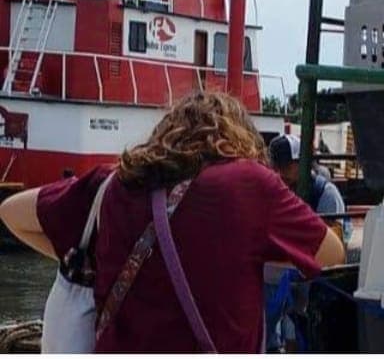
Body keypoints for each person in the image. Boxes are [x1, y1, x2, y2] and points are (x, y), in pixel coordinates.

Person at [0, 91, 345, 352]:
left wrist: (97, 260)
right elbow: (330, 253)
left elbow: (12, 212)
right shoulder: (249, 185)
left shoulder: (112, 184)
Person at [264, 134, 351, 352]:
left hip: (317, 272)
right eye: (278, 165)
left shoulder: (325, 193)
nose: (281, 171)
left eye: (287, 165)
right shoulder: (276, 190)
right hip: (287, 266)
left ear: (299, 163)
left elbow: (336, 244)